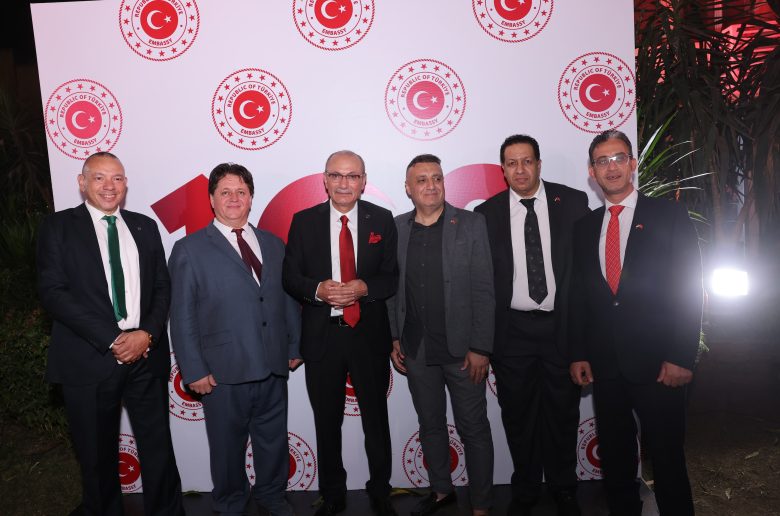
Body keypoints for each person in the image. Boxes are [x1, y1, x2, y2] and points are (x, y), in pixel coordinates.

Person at [37, 152, 184, 516]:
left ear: (125, 184)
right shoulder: (58, 227)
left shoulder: (144, 226)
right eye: (99, 177)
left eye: (117, 178)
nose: (109, 186)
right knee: (97, 454)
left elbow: (162, 286)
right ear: (82, 182)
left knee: (159, 449)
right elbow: (53, 292)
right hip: (90, 357)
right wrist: (113, 339)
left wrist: (147, 334)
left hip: (146, 355)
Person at [569, 130, 703, 516]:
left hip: (660, 365)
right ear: (592, 171)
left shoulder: (668, 215)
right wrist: (579, 353)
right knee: (615, 459)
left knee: (667, 459)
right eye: (602, 161)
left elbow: (689, 286)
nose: (611, 167)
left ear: (632, 164)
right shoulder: (583, 228)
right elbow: (580, 295)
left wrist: (681, 356)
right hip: (605, 366)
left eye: (618, 158)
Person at [168, 163, 302, 516]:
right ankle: (230, 503)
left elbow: (286, 298)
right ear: (212, 199)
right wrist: (193, 369)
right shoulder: (189, 249)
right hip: (221, 372)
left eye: (241, 192)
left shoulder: (273, 244)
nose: (233, 198)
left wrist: (293, 345)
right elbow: (182, 316)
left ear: (251, 198)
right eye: (225, 192)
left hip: (272, 363)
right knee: (227, 447)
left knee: (273, 440)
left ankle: (272, 496)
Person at [475, 135, 588, 516]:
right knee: (518, 415)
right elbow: (482, 282)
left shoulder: (573, 203)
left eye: (527, 161)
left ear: (539, 164)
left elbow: (584, 272)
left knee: (563, 413)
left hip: (561, 328)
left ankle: (563, 486)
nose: (520, 169)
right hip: (513, 333)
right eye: (512, 163)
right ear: (503, 170)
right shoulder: (486, 213)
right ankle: (525, 488)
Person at [283, 150, 398, 516]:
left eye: (352, 176)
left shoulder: (382, 219)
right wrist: (317, 289)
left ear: (363, 181)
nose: (344, 183)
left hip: (368, 335)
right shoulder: (303, 221)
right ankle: (332, 493)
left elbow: (392, 277)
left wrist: (365, 287)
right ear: (325, 180)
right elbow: (290, 276)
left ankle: (380, 490)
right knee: (326, 421)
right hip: (323, 336)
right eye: (336, 175)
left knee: (376, 420)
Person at [388, 154, 495, 516]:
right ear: (408, 188)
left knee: (473, 428)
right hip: (416, 349)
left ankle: (481, 503)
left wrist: (481, 347)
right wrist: (394, 336)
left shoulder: (471, 223)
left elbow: (484, 289)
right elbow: (392, 290)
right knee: (430, 425)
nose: (431, 185)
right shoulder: (397, 228)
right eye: (421, 180)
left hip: (464, 351)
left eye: (436, 178)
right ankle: (441, 491)